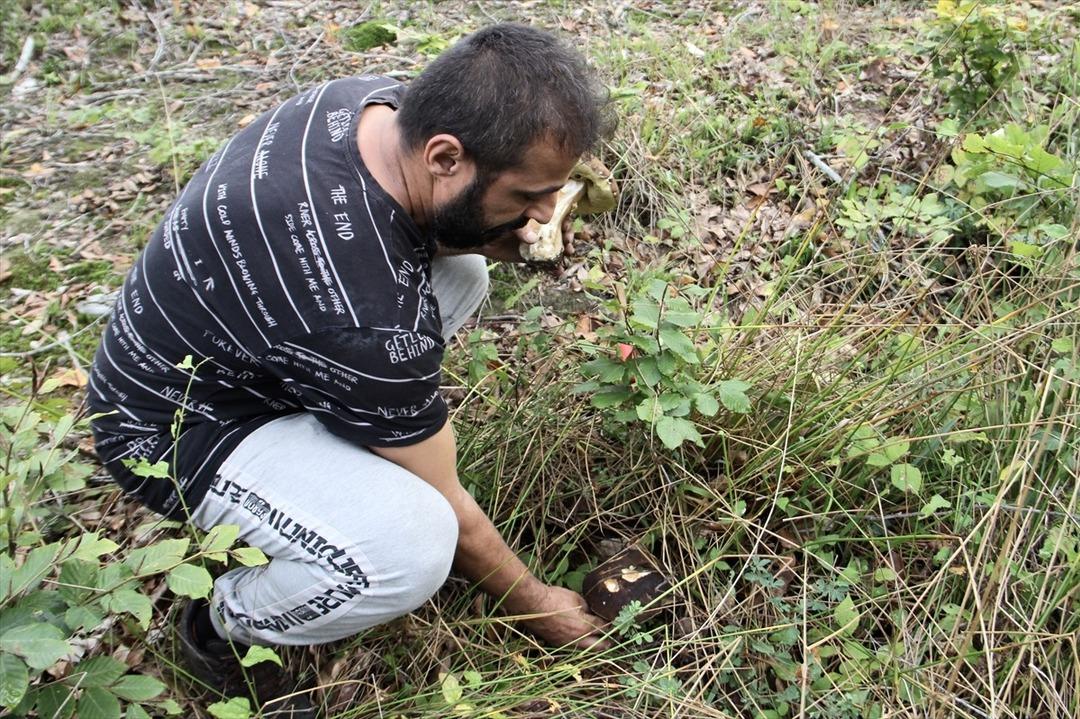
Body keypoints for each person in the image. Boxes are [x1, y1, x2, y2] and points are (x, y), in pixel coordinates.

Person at [87, 22, 615, 718]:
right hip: (168, 428)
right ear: (447, 156)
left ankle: (352, 432)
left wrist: (506, 233)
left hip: (224, 349)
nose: (544, 212)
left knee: (463, 272)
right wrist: (538, 604)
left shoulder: (369, 105)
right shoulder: (365, 311)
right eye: (527, 196)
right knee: (414, 544)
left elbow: (401, 255)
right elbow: (453, 507)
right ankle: (223, 624)